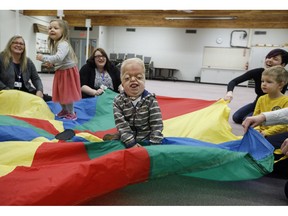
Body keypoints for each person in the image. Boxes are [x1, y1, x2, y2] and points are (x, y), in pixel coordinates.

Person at [103, 58, 164, 148]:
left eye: (139, 77)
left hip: (147, 139)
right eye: (127, 78)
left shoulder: (150, 100)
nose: (133, 80)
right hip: (126, 140)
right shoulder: (118, 101)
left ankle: (116, 136)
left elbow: (157, 124)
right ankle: (116, 137)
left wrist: (154, 143)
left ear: (144, 80)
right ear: (122, 83)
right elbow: (121, 125)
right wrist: (131, 143)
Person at [224, 48, 288, 124]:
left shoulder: (285, 77)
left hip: (274, 107)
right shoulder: (258, 72)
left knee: (247, 119)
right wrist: (229, 92)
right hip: (258, 103)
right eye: (268, 57)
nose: (269, 60)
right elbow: (234, 81)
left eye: (275, 59)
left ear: (283, 64)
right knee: (236, 117)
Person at [36, 19, 81, 120]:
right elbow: (59, 59)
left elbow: (59, 57)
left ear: (63, 31)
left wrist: (44, 58)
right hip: (61, 71)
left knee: (67, 92)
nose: (52, 30)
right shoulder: (57, 43)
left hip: (68, 72)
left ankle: (71, 112)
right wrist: (51, 63)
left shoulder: (63, 44)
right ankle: (64, 110)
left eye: (55, 28)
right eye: (50, 28)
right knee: (60, 92)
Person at [0, 35, 52, 101]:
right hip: (6, 93)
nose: (18, 45)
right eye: (15, 43)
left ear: (24, 47)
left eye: (21, 44)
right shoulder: (1, 58)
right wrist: (7, 91)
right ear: (10, 44)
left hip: (26, 92)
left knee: (52, 100)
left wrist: (39, 90)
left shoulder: (28, 62)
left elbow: (36, 79)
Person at [252, 65, 288, 137]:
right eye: (262, 81)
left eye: (269, 82)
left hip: (275, 133)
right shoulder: (261, 99)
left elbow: (284, 125)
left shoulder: (286, 101)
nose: (264, 84)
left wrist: (267, 132)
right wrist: (257, 129)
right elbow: (255, 116)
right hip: (260, 132)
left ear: (280, 84)